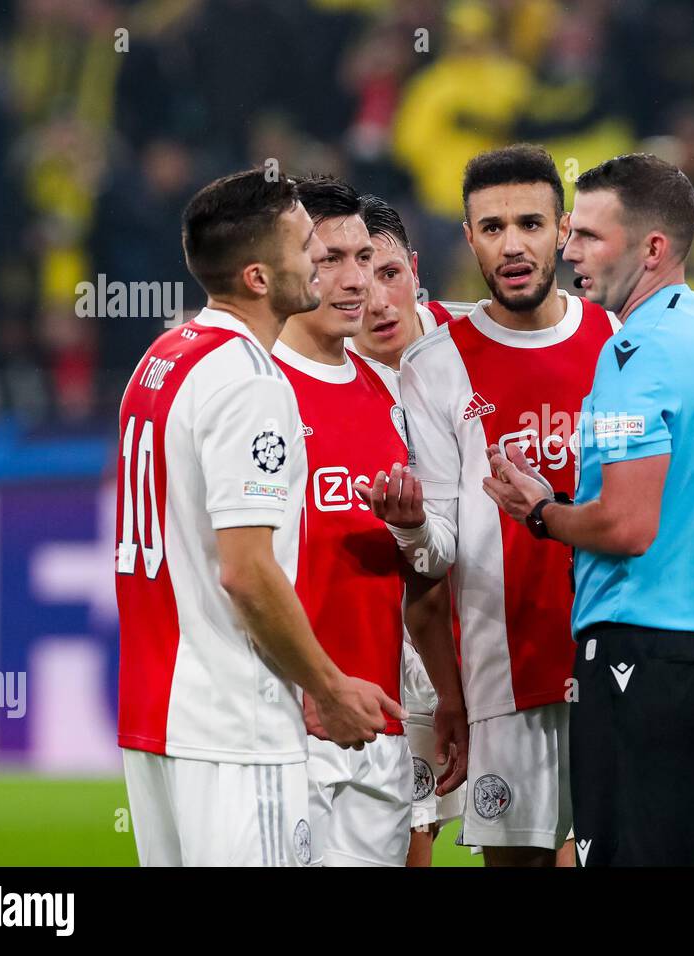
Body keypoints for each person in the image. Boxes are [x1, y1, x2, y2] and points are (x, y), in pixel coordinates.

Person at [481, 153, 694, 866]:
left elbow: (625, 525)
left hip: (641, 658)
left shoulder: (634, 354)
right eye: (572, 233)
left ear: (653, 249)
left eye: (590, 238)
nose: (569, 251)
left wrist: (544, 511)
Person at [115, 170, 400, 867]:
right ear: (258, 276)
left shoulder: (162, 360)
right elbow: (246, 572)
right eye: (307, 248)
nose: (319, 262)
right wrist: (328, 688)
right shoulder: (249, 380)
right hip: (234, 727)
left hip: (156, 720)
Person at [361, 144, 616, 866]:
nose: (513, 243)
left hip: (617, 655)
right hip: (506, 673)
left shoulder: (616, 340)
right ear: (469, 238)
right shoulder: (436, 365)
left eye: (530, 223)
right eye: (493, 227)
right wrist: (411, 526)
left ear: (562, 232)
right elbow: (438, 548)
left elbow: (667, 502)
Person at [270, 175, 463, 866]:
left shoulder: (390, 390)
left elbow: (428, 561)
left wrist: (412, 528)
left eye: (369, 261)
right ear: (287, 266)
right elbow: (224, 571)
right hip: (281, 728)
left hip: (378, 728)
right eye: (333, 260)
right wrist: (309, 683)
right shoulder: (247, 386)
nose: (356, 283)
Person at [345, 191, 469, 865]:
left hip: (497, 640)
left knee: (549, 840)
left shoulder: (476, 346)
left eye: (390, 275)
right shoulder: (323, 379)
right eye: (359, 284)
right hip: (395, 654)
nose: (379, 302)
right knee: (407, 842)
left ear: (415, 268)